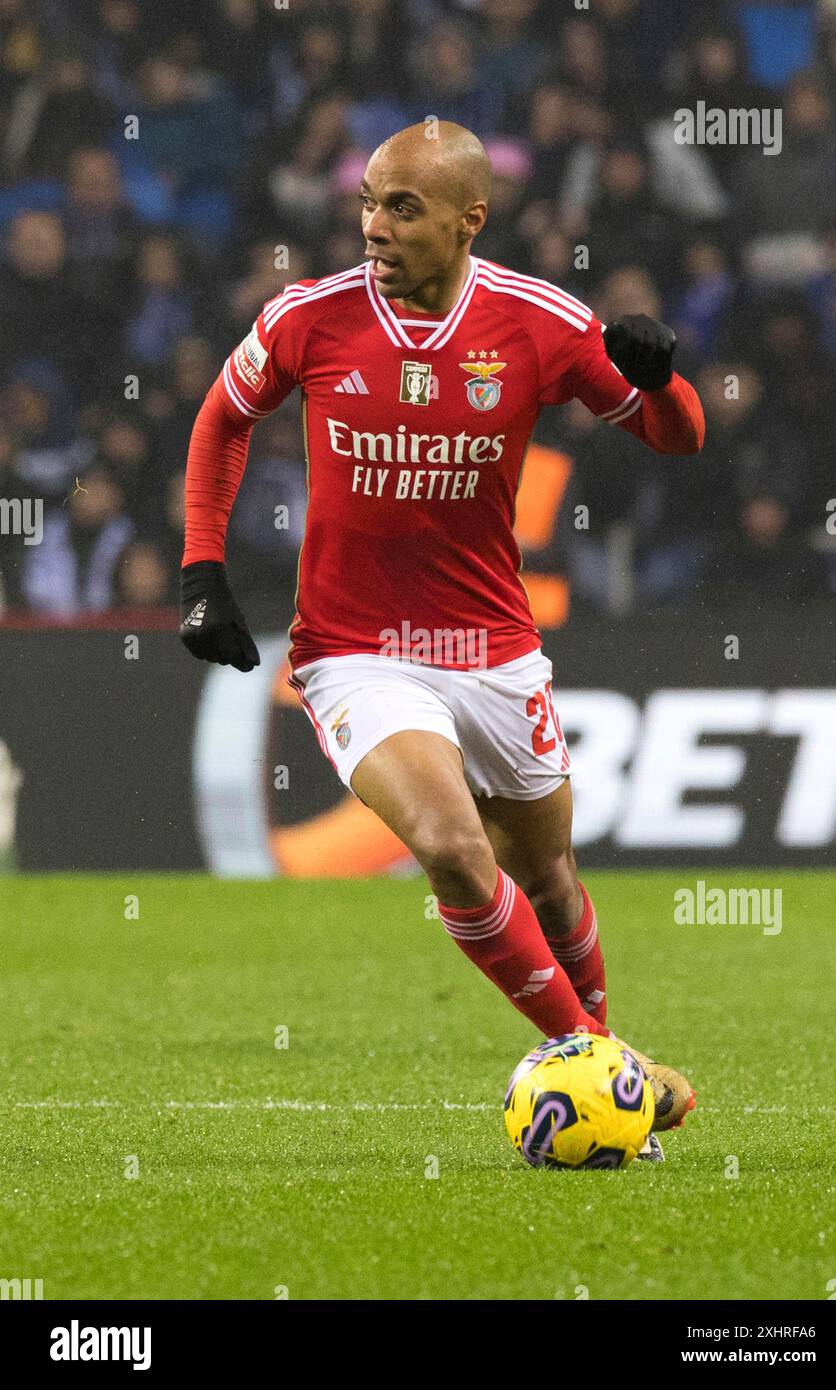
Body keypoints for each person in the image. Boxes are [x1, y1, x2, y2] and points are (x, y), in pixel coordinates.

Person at [178, 122, 704, 1152]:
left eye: (402, 208)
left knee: (547, 877)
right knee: (454, 853)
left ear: (471, 219)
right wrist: (202, 567)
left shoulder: (536, 323)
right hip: (355, 649)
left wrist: (658, 381)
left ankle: (604, 1062)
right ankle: (609, 1066)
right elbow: (219, 418)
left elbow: (675, 436)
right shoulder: (309, 318)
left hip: (494, 647)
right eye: (369, 202)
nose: (373, 225)